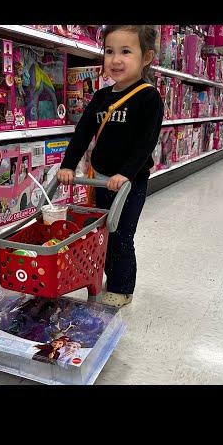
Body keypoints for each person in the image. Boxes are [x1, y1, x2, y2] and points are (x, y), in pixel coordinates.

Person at [57, 25, 163, 308]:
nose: (115, 60)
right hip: (100, 179)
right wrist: (69, 165)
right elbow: (82, 133)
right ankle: (110, 277)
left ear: (147, 57)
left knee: (122, 235)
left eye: (126, 52)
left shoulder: (148, 97)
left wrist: (125, 173)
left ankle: (122, 287)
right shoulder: (102, 97)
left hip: (130, 183)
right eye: (109, 51)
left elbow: (145, 143)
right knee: (103, 233)